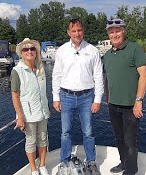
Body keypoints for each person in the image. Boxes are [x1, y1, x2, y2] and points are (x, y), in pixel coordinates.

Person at [52, 19, 104, 175]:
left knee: (88, 132)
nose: (77, 33)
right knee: (65, 132)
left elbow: (99, 77)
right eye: (73, 31)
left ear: (83, 31)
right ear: (68, 32)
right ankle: (64, 161)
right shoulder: (61, 51)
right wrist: (56, 97)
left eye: (79, 30)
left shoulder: (92, 50)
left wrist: (98, 100)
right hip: (66, 95)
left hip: (86, 96)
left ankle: (91, 162)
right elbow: (56, 75)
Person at [103, 18, 146, 175]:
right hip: (113, 105)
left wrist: (138, 102)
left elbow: (144, 76)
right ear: (108, 34)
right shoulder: (107, 55)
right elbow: (107, 78)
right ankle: (123, 163)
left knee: (130, 142)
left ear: (123, 31)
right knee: (119, 139)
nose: (114, 34)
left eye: (117, 31)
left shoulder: (134, 49)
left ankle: (131, 170)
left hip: (130, 106)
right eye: (111, 32)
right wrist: (108, 98)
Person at [11, 38, 50, 175]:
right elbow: (15, 95)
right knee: (31, 142)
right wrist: (20, 117)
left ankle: (43, 166)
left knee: (43, 139)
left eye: (32, 48)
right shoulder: (17, 71)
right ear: (21, 53)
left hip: (43, 112)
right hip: (28, 115)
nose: (29, 51)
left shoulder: (40, 68)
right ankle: (34, 169)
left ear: (36, 51)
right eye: (25, 49)